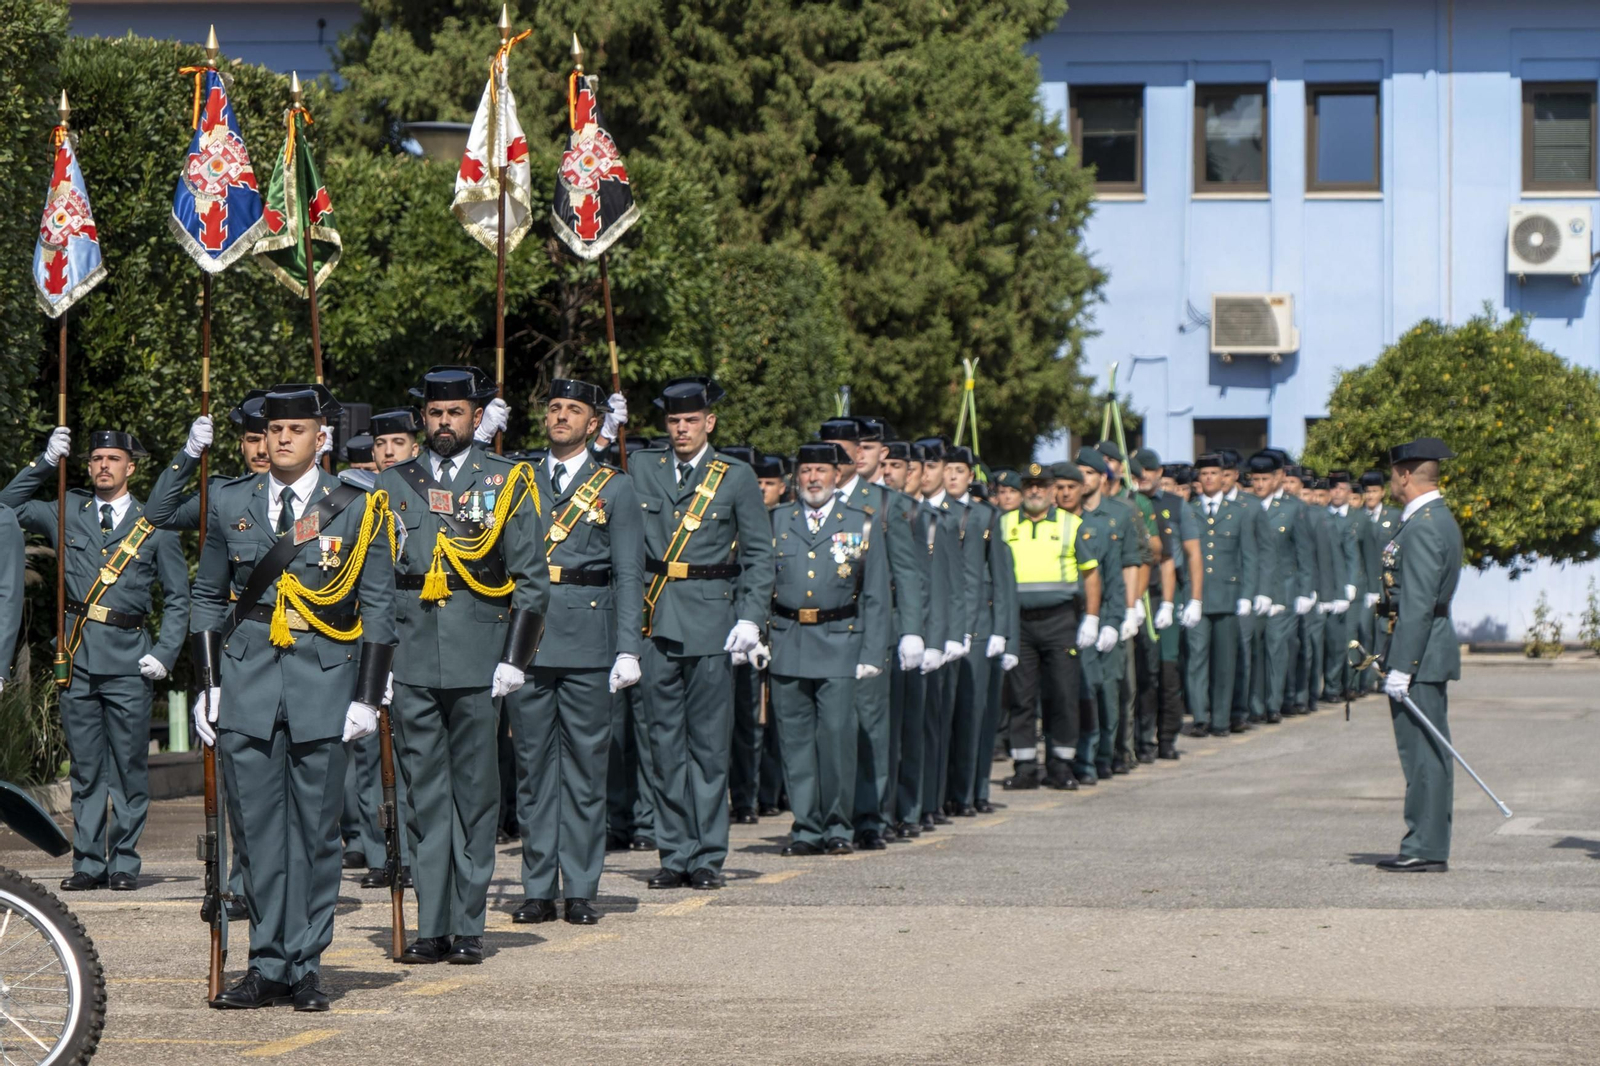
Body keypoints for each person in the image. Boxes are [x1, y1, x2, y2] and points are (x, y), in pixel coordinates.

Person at [190, 383, 395, 1011]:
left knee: (315, 834)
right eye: (274, 430)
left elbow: (381, 606)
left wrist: (368, 694)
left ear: (320, 437)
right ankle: (265, 963)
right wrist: (208, 685)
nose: (283, 439)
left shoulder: (357, 505)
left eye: (297, 429)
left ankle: (305, 963)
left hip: (325, 682)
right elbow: (205, 596)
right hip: (248, 681)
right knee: (254, 833)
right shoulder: (230, 501)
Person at [377, 366, 548, 965]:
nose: (443, 422)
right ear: (422, 418)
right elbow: (375, 579)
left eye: (455, 413)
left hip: (480, 654)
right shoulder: (392, 483)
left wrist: (516, 659)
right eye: (434, 413)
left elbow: (531, 579)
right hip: (413, 653)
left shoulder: (507, 481)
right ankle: (432, 925)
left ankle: (469, 925)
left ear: (477, 418)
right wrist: (379, 660)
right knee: (423, 798)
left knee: (475, 795)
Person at [2, 427, 190, 893]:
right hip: (77, 659)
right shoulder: (66, 510)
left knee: (128, 767)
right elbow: (6, 504)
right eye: (95, 458)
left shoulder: (155, 523)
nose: (102, 466)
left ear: (131, 466)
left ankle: (123, 859)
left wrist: (164, 652)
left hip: (129, 660)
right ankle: (88, 861)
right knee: (86, 769)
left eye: (112, 458)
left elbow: (179, 598)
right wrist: (45, 462)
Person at [507, 379, 643, 927]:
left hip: (589, 642)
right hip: (528, 640)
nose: (561, 416)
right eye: (555, 407)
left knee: (586, 772)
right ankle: (539, 887)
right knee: (534, 772)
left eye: (574, 410)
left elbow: (630, 573)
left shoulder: (614, 487)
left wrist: (628, 647)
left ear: (594, 425)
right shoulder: (519, 479)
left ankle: (581, 886)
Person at [633, 377, 774, 890]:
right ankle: (674, 852)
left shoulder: (734, 477)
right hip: (655, 622)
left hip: (714, 622)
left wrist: (749, 617)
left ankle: (709, 855)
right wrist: (605, 430)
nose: (682, 429)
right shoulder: (643, 466)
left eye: (691, 421)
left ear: (709, 423)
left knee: (710, 749)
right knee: (664, 746)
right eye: (673, 421)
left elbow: (759, 555)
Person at [767, 442, 890, 855]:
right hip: (787, 639)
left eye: (820, 470)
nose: (813, 479)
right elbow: (760, 582)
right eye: (805, 471)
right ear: (796, 477)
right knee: (796, 740)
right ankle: (805, 827)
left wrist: (873, 652)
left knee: (836, 739)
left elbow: (874, 594)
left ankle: (838, 825)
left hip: (840, 640)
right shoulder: (777, 521)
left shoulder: (859, 522)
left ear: (837, 476)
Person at [821, 417, 924, 849]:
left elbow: (908, 572)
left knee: (869, 727)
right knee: (826, 729)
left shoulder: (884, 504)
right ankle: (826, 817)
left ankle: (869, 815)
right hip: (820, 631)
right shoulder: (810, 498)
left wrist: (913, 630)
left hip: (869, 628)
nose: (843, 457)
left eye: (849, 449)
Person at [1375, 438, 1462, 873]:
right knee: (1426, 750)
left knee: (1424, 752)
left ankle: (1425, 846)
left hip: (1421, 655)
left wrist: (1401, 666)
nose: (1391, 481)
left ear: (1406, 474)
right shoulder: (1427, 518)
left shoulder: (1426, 524)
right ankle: (1426, 842)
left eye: (1393, 473)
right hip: (1422, 650)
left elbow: (1417, 603)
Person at [999, 462, 1095, 789]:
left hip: (1060, 620)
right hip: (1019, 623)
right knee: (1021, 697)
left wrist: (1091, 618)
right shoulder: (1005, 523)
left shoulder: (1070, 524)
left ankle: (1061, 765)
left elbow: (1090, 572)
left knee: (1063, 694)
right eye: (1028, 486)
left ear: (1052, 490)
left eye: (1042, 486)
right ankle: (1025, 765)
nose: (1035, 491)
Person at [881, 440, 948, 837]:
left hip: (912, 625)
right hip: (877, 622)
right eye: (883, 463)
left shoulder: (918, 514)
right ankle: (882, 811)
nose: (889, 471)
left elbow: (934, 581)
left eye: (896, 464)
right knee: (882, 729)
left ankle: (911, 808)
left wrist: (934, 635)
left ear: (913, 472)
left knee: (912, 727)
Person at [913, 438, 970, 827]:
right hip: (909, 628)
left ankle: (931, 800)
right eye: (927, 466)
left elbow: (959, 582)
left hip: (938, 628)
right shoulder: (902, 512)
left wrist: (956, 630)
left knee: (934, 721)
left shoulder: (955, 516)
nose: (933, 473)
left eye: (936, 466)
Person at [1183, 453, 1258, 739]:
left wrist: (1247, 594)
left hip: (1228, 595)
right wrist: (1186, 596)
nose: (1209, 478)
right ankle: (1201, 717)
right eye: (1204, 474)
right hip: (1198, 597)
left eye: (1214, 473)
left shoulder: (1238, 511)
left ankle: (1221, 719)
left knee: (1226, 661)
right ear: (1198, 480)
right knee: (1197, 658)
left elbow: (1248, 555)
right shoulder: (1188, 511)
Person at [1074, 447, 1132, 782]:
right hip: (1075, 619)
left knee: (1109, 691)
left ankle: (1106, 755)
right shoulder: (1067, 515)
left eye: (1089, 473)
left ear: (1102, 478)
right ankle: (1085, 754)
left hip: (1109, 614)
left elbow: (1122, 570)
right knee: (1082, 692)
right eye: (1078, 472)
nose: (1082, 479)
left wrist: (1119, 617)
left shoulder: (1118, 515)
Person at [1357, 470, 1400, 693]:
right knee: (1364, 630)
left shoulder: (1393, 517)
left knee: (1384, 631)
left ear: (1382, 492)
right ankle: (1364, 680)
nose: (1370, 496)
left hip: (1386, 585)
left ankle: (1384, 675)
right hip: (1364, 585)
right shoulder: (1357, 516)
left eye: (1374, 491)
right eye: (1367, 492)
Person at [1320, 471, 1360, 703]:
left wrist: (1350, 584)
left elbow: (1352, 556)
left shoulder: (1347, 522)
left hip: (1338, 588)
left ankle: (1335, 687)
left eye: (1341, 488)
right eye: (1332, 488)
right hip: (1319, 587)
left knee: (1339, 642)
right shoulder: (1320, 517)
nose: (1336, 492)